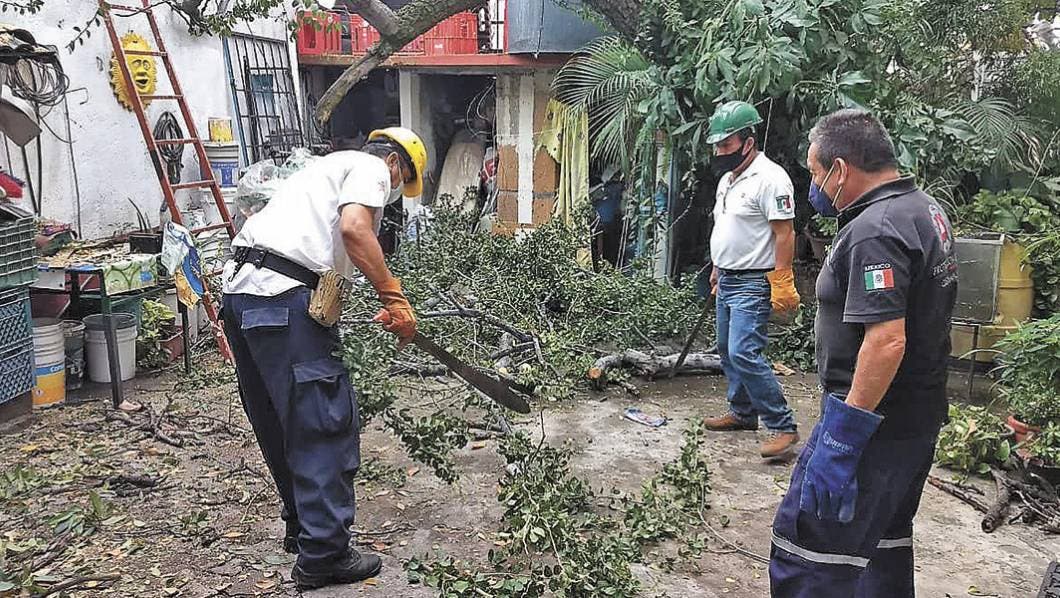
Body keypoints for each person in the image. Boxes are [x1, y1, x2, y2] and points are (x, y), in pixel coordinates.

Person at [219, 128, 426, 590]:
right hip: (284, 300)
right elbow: (355, 229)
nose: (390, 196)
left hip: (243, 297)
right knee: (321, 421)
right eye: (399, 186)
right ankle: (325, 555)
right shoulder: (371, 166)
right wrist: (395, 298)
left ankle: (303, 528)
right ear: (396, 165)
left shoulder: (318, 172)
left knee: (279, 419)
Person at [769, 109, 958, 597]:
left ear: (841, 169)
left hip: (873, 422)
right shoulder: (925, 210)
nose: (814, 185)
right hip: (915, 417)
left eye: (814, 172)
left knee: (808, 551)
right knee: (883, 548)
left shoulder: (877, 229)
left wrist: (843, 438)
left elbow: (887, 339)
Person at [701, 100, 801, 460]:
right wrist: (717, 267)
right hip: (727, 277)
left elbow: (784, 233)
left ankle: (783, 426)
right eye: (716, 145)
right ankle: (743, 413)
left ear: (748, 141)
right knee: (728, 350)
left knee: (745, 352)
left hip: (753, 281)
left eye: (726, 145)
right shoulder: (728, 181)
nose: (719, 152)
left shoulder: (772, 179)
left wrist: (782, 279)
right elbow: (726, 228)